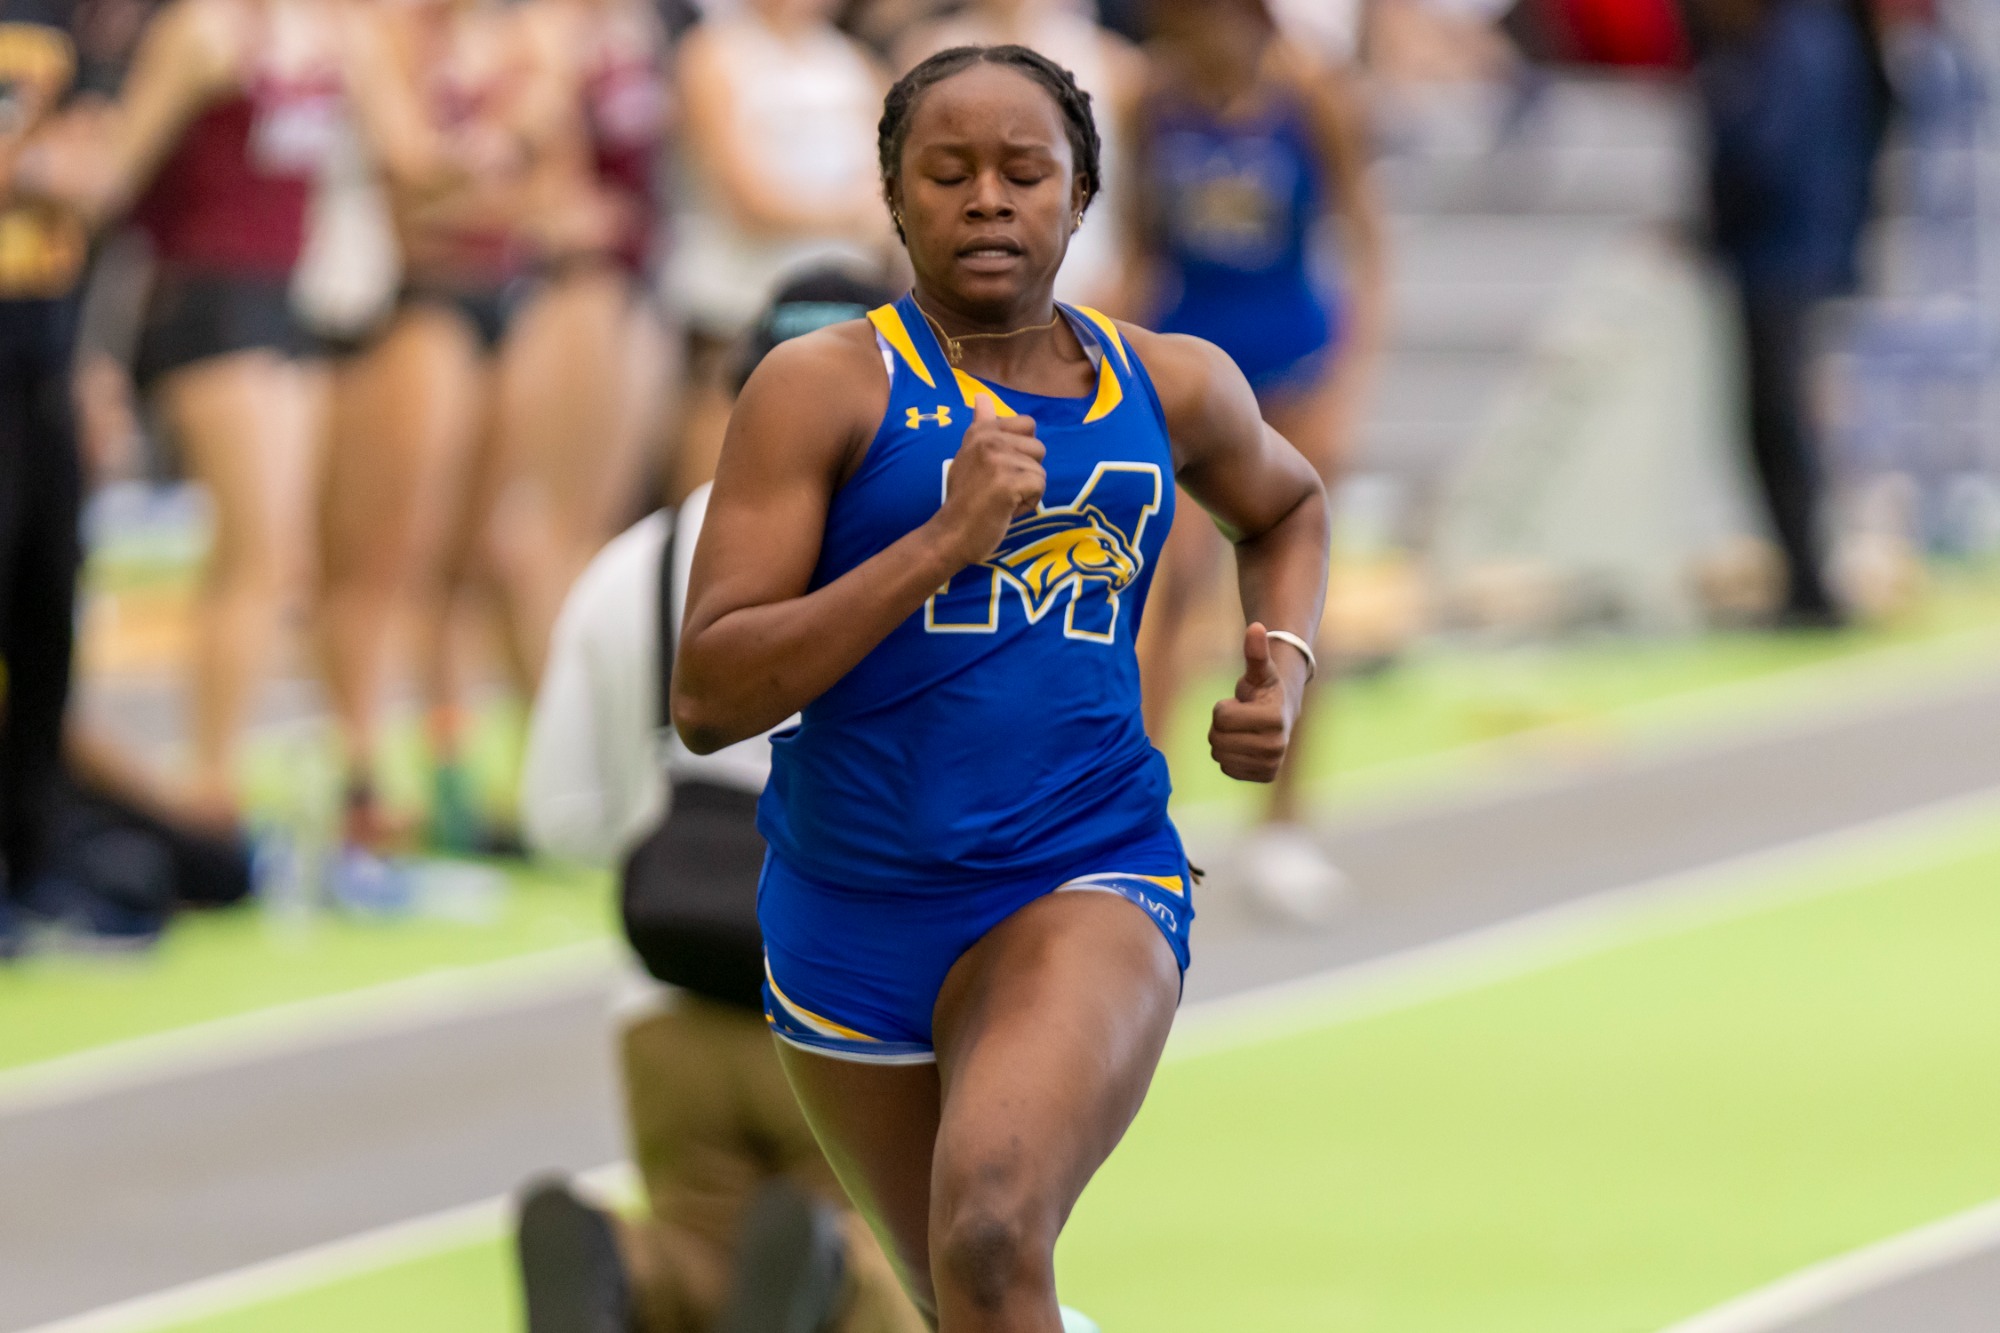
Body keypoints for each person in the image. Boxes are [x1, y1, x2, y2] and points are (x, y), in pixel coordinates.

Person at [671, 44, 1331, 1329]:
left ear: (1080, 197)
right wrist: (938, 542)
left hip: (1081, 866)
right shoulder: (819, 391)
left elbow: (1288, 505)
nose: (987, 199)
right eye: (949, 172)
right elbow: (710, 694)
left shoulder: (1170, 381)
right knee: (966, 1294)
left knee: (986, 1227)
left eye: (1024, 172)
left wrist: (1283, 662)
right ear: (893, 196)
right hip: (846, 915)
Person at [516, 266, 928, 1333]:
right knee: (913, 1280)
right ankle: (831, 1271)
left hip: (667, 997)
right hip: (860, 1010)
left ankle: (629, 1262)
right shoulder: (942, 568)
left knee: (706, 1259)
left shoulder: (635, 566)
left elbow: (561, 812)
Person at [14, 0, 345, 830]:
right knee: (257, 550)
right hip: (205, 300)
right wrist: (51, 164)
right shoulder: (198, 32)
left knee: (286, 562)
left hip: (283, 297)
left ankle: (207, 781)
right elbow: (113, 183)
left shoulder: (322, 31)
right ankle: (205, 787)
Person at [1126, 0, 1386, 923]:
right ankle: (1139, 816)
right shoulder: (1149, 99)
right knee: (1163, 586)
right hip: (1191, 372)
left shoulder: (1310, 95)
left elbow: (1366, 244)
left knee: (1288, 604)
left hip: (1291, 374)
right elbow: (1141, 246)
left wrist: (1344, 391)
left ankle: (1282, 826)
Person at [330, 0, 579, 855]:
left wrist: (480, 172)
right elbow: (407, 174)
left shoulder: (525, 38)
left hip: (499, 289)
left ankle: (450, 770)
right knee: (392, 550)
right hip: (419, 301)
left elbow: (554, 196)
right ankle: (359, 778)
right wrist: (497, 160)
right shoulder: (384, 31)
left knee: (473, 560)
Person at [1691, 0, 1890, 627]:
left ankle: (1811, 583)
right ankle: (1808, 577)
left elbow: (1766, 148)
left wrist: (1716, 222)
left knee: (1780, 421)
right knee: (1785, 418)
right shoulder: (1815, 30)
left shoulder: (1799, 34)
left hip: (1781, 253)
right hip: (1795, 248)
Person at [667, 0, 887, 502]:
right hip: (736, 303)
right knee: (719, 465)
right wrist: (849, 213)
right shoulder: (715, 54)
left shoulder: (856, 63)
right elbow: (744, 198)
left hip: (839, 306)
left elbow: (889, 183)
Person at [0, 0, 91, 948]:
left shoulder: (56, 18)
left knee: (46, 607)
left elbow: (99, 170)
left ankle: (37, 862)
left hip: (46, 341)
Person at [896, 0, 1143, 311]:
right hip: (959, 282)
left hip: (1086, 286)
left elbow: (1136, 205)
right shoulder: (924, 52)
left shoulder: (1115, 65)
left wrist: (1126, 281)